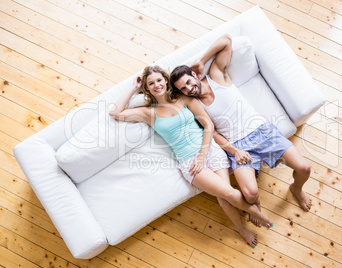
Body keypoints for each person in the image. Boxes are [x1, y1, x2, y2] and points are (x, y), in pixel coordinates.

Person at [110, 65, 274, 247]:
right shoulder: (148, 113)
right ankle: (257, 215)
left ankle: (240, 227)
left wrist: (203, 155)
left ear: (165, 80)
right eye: (150, 83)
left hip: (209, 150)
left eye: (158, 80)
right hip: (190, 162)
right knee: (228, 192)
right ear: (147, 88)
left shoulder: (184, 98)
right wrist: (134, 88)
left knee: (223, 196)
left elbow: (209, 126)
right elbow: (115, 112)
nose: (156, 84)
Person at [170, 34, 312, 226]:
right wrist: (234, 151)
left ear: (194, 75)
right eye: (183, 89)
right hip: (237, 144)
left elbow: (226, 40)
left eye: (188, 82)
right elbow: (213, 132)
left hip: (262, 132)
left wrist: (201, 61)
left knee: (304, 168)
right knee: (250, 194)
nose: (189, 89)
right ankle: (257, 202)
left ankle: (296, 188)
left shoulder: (217, 76)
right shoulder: (195, 104)